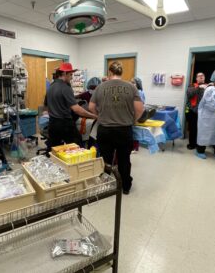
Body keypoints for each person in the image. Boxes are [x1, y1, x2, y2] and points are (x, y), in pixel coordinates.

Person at [89, 61, 144, 194]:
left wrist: (100, 117)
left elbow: (91, 107)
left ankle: (106, 186)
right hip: (124, 130)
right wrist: (133, 120)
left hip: (105, 130)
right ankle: (125, 186)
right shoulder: (131, 87)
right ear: (121, 73)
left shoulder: (100, 87)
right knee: (124, 159)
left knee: (105, 159)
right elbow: (140, 109)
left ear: (110, 72)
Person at [45, 63, 97, 150]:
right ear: (64, 73)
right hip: (65, 124)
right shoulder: (65, 87)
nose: (72, 77)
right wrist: (94, 116)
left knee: (54, 150)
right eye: (70, 74)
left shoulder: (51, 86)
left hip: (52, 124)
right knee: (78, 147)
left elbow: (46, 105)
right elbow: (77, 110)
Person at [185, 72, 207, 150]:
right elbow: (189, 94)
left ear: (204, 78)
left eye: (202, 75)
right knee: (192, 128)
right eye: (199, 76)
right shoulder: (192, 85)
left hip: (204, 112)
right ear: (196, 78)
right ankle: (192, 144)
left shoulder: (208, 87)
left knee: (201, 129)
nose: (201, 77)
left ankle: (199, 144)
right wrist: (199, 87)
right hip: (192, 111)